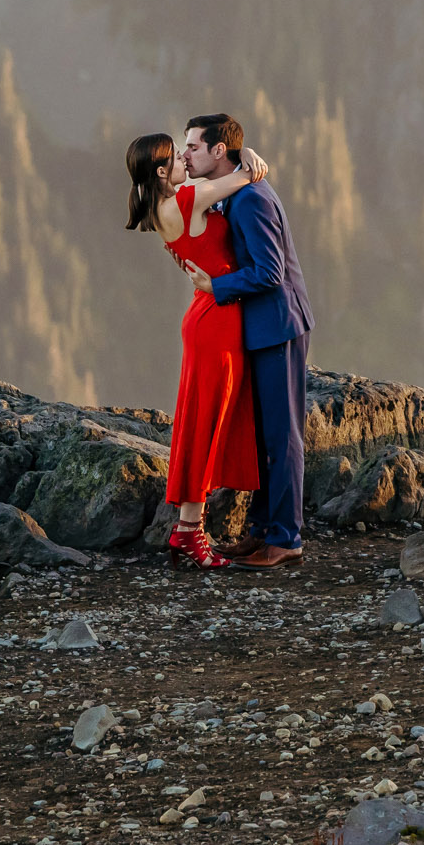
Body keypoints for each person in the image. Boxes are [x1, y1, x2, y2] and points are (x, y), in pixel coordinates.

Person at [124, 131, 269, 568]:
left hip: (208, 315)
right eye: (176, 156)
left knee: (200, 421)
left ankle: (189, 531)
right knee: (206, 423)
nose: (186, 159)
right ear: (162, 171)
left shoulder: (169, 205)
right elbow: (245, 176)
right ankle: (190, 533)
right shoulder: (187, 201)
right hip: (216, 323)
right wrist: (248, 157)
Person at [177, 113, 314, 568]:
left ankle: (285, 539)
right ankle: (261, 531)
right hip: (255, 330)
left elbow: (269, 273)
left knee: (282, 434)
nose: (187, 155)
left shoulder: (251, 198)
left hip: (278, 326)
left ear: (220, 150)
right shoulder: (235, 189)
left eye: (194, 147)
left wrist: (215, 288)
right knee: (259, 435)